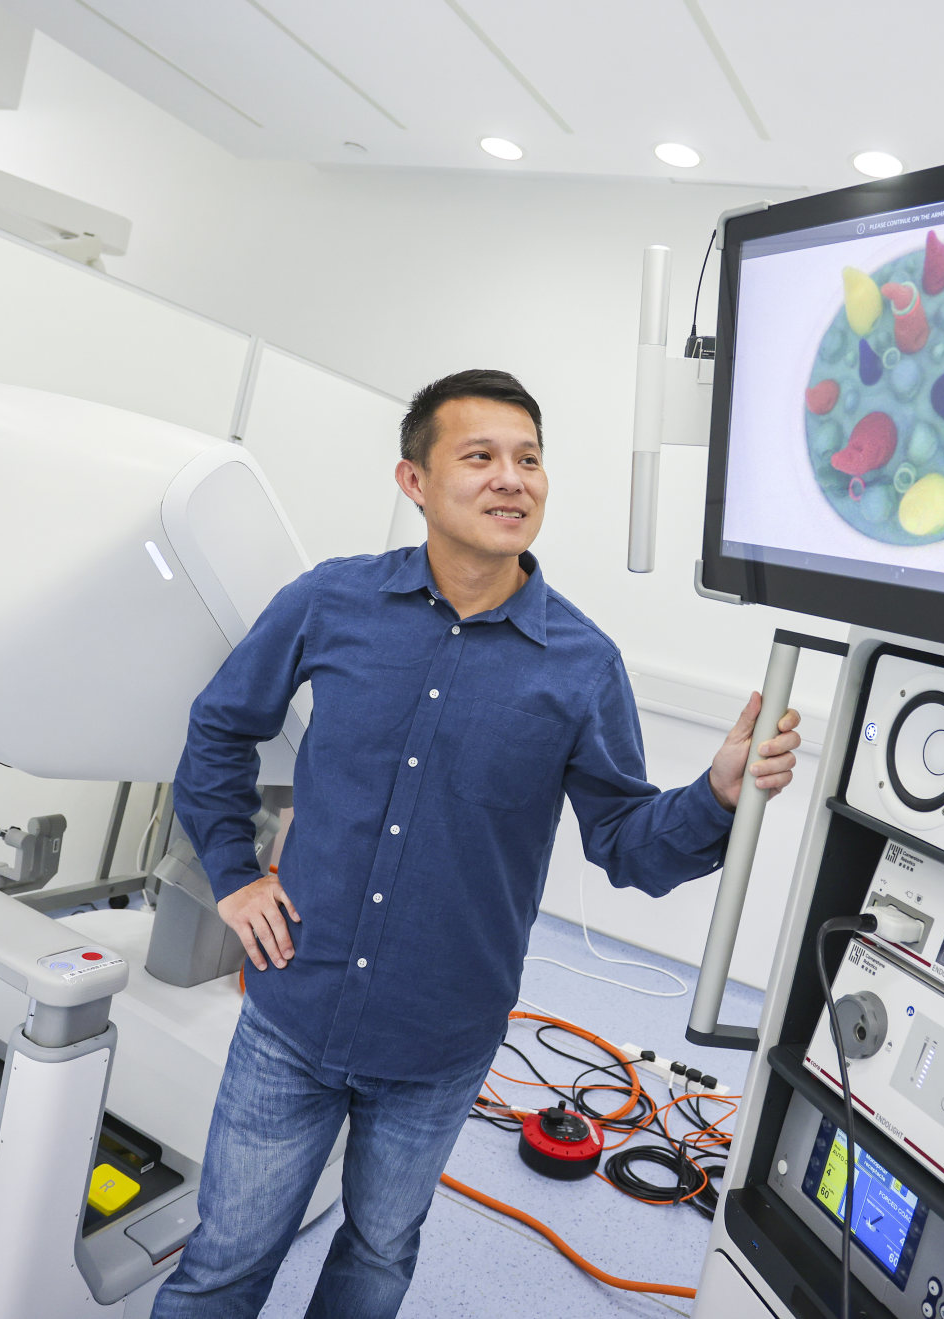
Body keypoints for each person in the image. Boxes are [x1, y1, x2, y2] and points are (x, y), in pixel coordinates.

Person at [152, 368, 803, 1318]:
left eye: (529, 458)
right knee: (224, 1261)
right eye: (481, 456)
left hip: (441, 1035)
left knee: (378, 1254)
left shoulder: (581, 665)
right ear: (414, 481)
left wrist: (714, 794)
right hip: (295, 1006)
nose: (513, 478)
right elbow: (218, 728)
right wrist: (235, 876)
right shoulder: (329, 602)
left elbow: (626, 843)